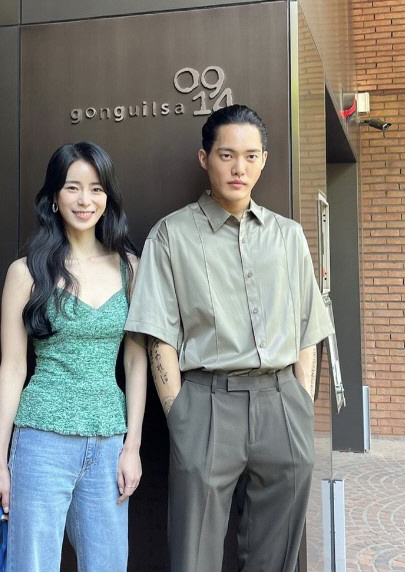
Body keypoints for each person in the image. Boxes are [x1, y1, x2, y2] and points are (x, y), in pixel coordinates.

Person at [125, 104, 334, 572]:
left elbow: (308, 327)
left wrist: (301, 401)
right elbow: (158, 334)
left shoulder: (288, 236)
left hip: (282, 404)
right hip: (206, 403)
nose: (239, 167)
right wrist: (180, 413)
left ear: (264, 160)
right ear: (205, 158)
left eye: (250, 156)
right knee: (194, 555)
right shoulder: (171, 236)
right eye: (227, 155)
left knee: (276, 555)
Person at [0, 141, 147, 572]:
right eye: (73, 187)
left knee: (108, 564)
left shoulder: (131, 268)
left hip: (109, 442)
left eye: (96, 189)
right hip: (41, 441)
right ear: (55, 197)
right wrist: (0, 464)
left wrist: (132, 445)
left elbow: (136, 361)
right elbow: (12, 368)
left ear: (107, 197)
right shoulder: (25, 272)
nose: (84, 200)